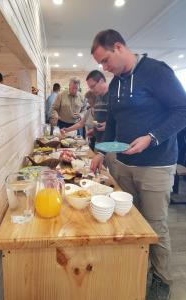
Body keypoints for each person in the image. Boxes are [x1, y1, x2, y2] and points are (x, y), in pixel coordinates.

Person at [90, 29, 186, 300]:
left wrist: (151, 138)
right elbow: (113, 123)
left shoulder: (157, 71)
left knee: (156, 226)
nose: (104, 68)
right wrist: (100, 150)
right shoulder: (117, 82)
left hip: (156, 165)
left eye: (106, 61)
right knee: (130, 221)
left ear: (119, 47)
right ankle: (138, 268)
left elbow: (183, 111)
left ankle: (162, 280)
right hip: (122, 164)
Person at [86, 70, 109, 143]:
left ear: (101, 81)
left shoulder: (113, 96)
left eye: (93, 86)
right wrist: (94, 131)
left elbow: (121, 120)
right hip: (98, 141)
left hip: (110, 143)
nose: (92, 90)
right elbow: (97, 118)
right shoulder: (97, 97)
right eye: (90, 88)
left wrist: (109, 125)